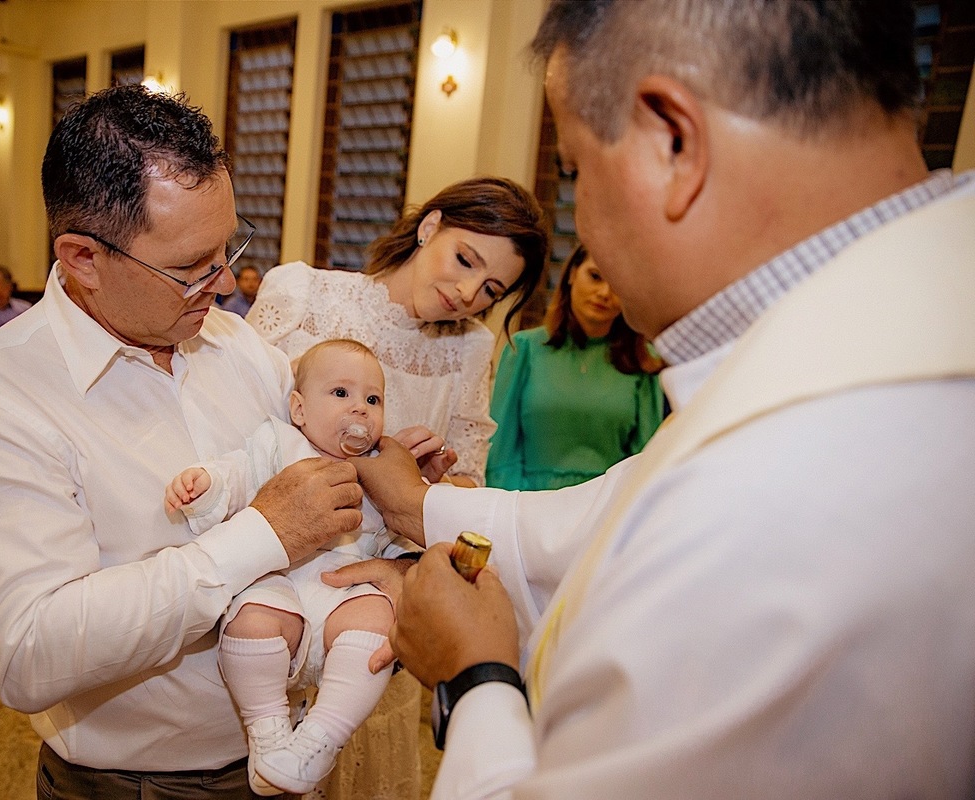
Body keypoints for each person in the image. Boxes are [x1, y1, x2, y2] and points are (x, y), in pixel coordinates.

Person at [335, 1, 975, 797]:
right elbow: (615, 511)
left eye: (574, 171)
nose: (587, 233)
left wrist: (477, 678)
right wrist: (422, 508)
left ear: (672, 141)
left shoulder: (785, 479)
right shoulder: (875, 336)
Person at [0, 84, 365, 800]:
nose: (225, 282)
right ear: (82, 257)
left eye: (229, 245)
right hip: (140, 785)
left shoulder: (236, 344)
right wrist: (262, 534)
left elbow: (304, 462)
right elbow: (28, 652)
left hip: (284, 751)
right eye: (193, 265)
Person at [247, 176, 548, 799]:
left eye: (490, 289)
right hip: (272, 563)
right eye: (465, 260)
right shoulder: (301, 293)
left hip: (374, 588)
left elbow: (471, 478)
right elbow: (236, 420)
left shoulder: (469, 349)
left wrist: (430, 483)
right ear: (429, 225)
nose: (467, 293)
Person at [168, 339, 409, 795]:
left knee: (378, 620)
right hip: (276, 577)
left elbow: (397, 534)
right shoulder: (278, 442)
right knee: (250, 617)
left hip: (343, 585)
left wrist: (404, 562)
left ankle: (320, 739)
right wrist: (208, 484)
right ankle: (268, 731)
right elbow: (240, 475)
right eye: (341, 394)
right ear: (299, 409)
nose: (360, 409)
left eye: (372, 399)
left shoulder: (379, 468)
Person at [486, 244, 664, 490]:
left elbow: (645, 459)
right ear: (571, 274)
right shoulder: (524, 348)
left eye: (618, 285)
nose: (604, 292)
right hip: (525, 507)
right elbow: (500, 453)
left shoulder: (643, 362)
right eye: (595, 276)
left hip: (604, 511)